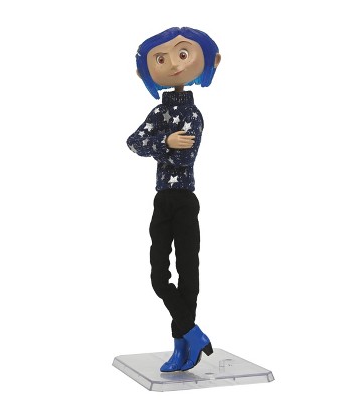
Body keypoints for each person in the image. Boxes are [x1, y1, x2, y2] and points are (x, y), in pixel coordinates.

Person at [127, 27, 221, 372]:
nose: (175, 65)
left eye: (183, 54)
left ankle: (182, 345)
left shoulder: (192, 115)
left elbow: (184, 158)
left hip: (184, 200)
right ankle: (193, 333)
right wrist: (165, 142)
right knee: (159, 277)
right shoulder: (158, 114)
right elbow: (133, 142)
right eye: (160, 59)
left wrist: (160, 146)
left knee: (187, 273)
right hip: (162, 200)